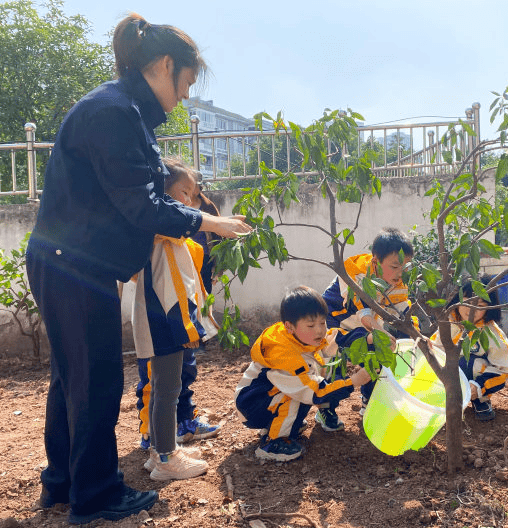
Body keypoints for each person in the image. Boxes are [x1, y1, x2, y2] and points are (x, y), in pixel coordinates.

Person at [26, 14, 251, 524]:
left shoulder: (119, 109)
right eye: (188, 82)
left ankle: (62, 485)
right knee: (97, 381)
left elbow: (124, 199)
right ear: (166, 66)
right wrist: (207, 222)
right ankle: (97, 495)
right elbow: (143, 205)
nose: (186, 96)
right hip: (72, 266)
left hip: (67, 262)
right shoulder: (114, 113)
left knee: (72, 379)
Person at [132, 158, 218, 480]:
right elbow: (173, 285)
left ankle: (159, 450)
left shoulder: (162, 233)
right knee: (167, 389)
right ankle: (168, 458)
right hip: (164, 321)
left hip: (161, 319)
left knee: (164, 388)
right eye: (184, 193)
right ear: (163, 192)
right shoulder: (161, 231)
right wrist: (184, 323)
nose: (189, 202)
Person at [234, 287, 372, 461]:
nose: (320, 330)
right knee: (299, 393)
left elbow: (333, 340)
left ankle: (283, 424)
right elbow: (315, 391)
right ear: (289, 327)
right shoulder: (285, 356)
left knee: (326, 362)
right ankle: (273, 442)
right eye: (311, 325)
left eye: (322, 322)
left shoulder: (302, 337)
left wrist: (366, 339)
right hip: (253, 405)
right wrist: (354, 381)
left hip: (267, 398)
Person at [322, 227, 419, 423]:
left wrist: (419, 338)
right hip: (336, 321)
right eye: (394, 266)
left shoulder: (399, 284)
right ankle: (326, 408)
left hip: (365, 326)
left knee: (378, 355)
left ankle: (370, 400)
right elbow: (364, 313)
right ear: (376, 260)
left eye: (405, 267)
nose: (400, 273)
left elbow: (404, 316)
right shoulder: (357, 272)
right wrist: (382, 332)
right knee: (333, 363)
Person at [431, 274, 508, 421]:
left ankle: (480, 401)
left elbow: (503, 370)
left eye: (480, 306)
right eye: (467, 302)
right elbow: (437, 349)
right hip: (449, 378)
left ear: (490, 308)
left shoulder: (492, 334)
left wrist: (479, 386)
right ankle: (445, 399)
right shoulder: (450, 322)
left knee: (470, 363)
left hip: (475, 378)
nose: (471, 310)